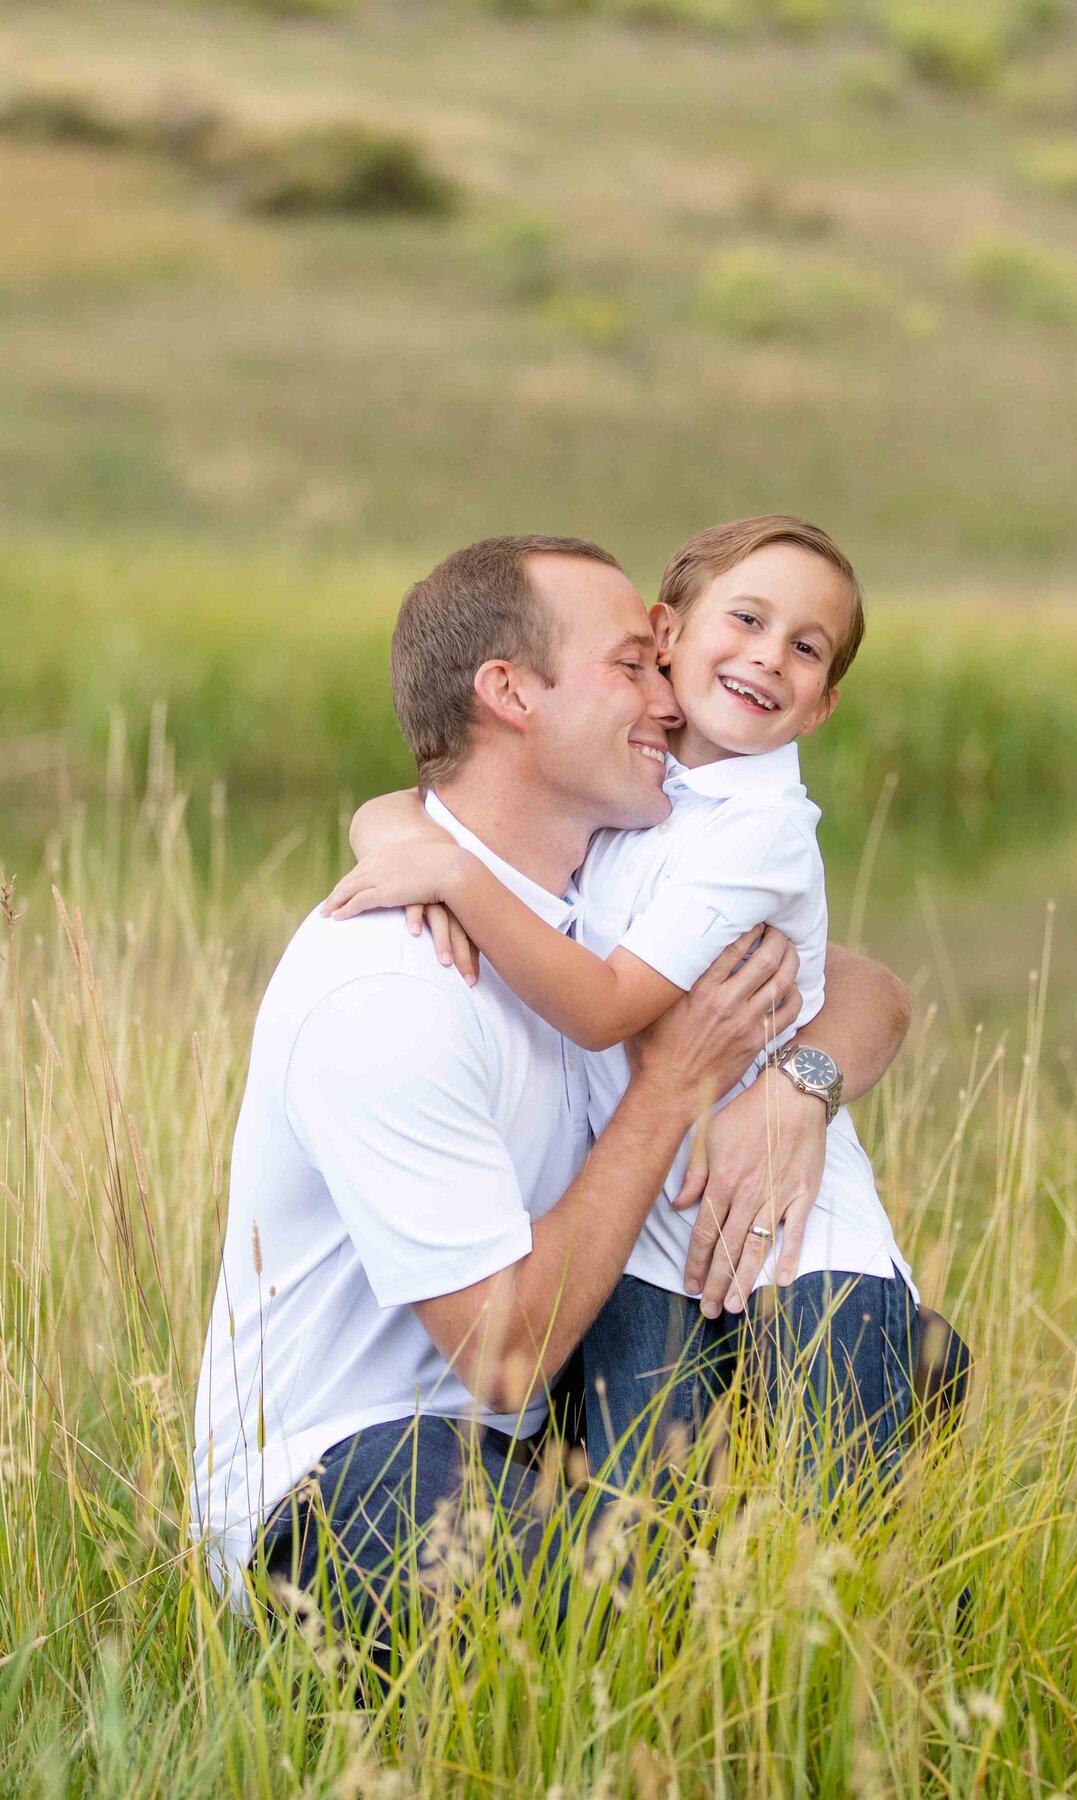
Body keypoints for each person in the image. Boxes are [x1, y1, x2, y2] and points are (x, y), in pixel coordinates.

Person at [191, 534, 911, 1656]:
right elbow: (506, 1357)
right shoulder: (392, 988)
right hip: (352, 1463)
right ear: (510, 693)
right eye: (635, 665)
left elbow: (860, 983)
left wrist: (800, 1087)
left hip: (528, 1428)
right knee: (665, 1629)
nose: (667, 698)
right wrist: (671, 1090)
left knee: (895, 1372)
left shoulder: (569, 900)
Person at [325, 516, 918, 1491]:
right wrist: (393, 832)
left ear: (823, 705)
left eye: (805, 648)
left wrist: (457, 883)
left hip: (794, 1244)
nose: (770, 657)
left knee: (836, 1534)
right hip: (641, 1254)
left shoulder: (758, 830)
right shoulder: (634, 780)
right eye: (749, 620)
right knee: (647, 1534)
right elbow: (438, 804)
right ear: (668, 634)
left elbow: (605, 1006)